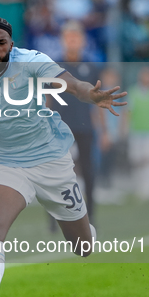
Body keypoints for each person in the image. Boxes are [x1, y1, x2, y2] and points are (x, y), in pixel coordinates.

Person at [0, 17, 126, 297]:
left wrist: (91, 94)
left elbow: (72, 84)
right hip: (8, 166)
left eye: (0, 42)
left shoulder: (32, 61)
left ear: (11, 45)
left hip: (53, 164)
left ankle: (88, 230)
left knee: (82, 247)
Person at [47, 20, 106, 226]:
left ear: (82, 41)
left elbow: (98, 102)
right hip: (59, 128)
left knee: (88, 172)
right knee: (55, 174)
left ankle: (90, 216)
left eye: (76, 37)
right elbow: (47, 100)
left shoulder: (91, 67)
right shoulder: (53, 67)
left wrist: (104, 130)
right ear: (62, 41)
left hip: (84, 127)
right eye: (68, 38)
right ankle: (54, 218)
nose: (72, 41)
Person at [121, 66, 149, 201]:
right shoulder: (133, 92)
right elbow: (128, 112)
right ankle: (139, 187)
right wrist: (124, 127)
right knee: (137, 160)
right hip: (137, 131)